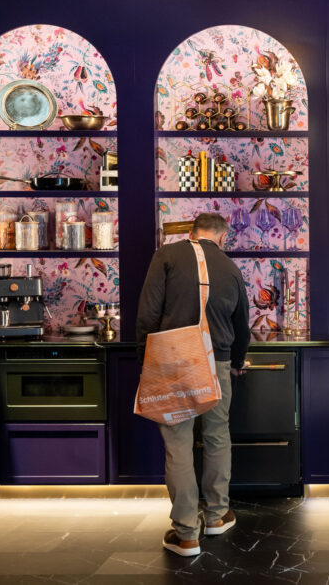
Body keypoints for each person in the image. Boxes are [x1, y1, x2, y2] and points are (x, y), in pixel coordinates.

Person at [137, 212, 251, 557]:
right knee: (217, 436)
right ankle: (217, 516)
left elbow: (148, 312)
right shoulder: (231, 268)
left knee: (178, 443)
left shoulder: (167, 255)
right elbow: (242, 325)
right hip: (217, 361)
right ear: (223, 238)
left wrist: (146, 358)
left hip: (174, 360)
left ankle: (186, 533)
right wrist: (236, 361)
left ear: (191, 232)